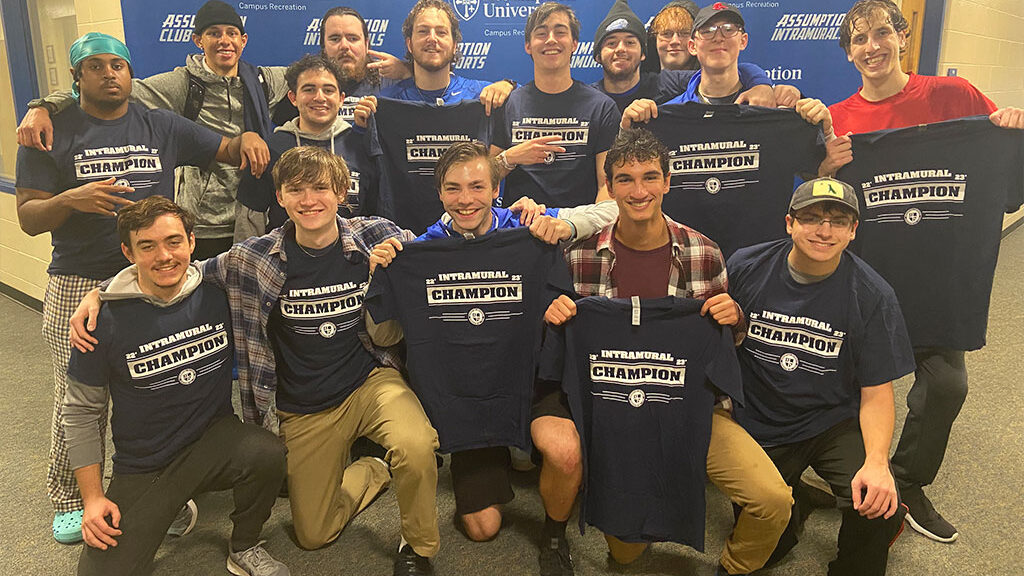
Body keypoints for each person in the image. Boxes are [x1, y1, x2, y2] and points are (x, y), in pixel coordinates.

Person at [73, 146, 441, 575]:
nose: (309, 200)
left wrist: (525, 218)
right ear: (280, 198)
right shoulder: (251, 259)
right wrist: (99, 293)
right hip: (303, 405)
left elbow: (443, 250)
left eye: (320, 188)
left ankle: (418, 547)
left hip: (371, 382)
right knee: (313, 534)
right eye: (296, 189)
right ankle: (374, 470)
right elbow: (174, 269)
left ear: (341, 192)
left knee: (416, 445)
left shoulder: (375, 236)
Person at [14, 32, 262, 545]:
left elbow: (225, 147)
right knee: (78, 393)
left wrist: (252, 139)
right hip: (79, 277)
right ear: (77, 76)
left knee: (161, 378)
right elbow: (27, 217)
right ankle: (69, 497)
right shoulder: (49, 130)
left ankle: (159, 487)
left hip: (158, 274)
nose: (111, 74)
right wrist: (71, 200)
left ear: (131, 73)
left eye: (119, 65)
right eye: (97, 66)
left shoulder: (159, 122)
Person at [807, 0, 1024, 544]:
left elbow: (1005, 175)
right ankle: (843, 470)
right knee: (835, 377)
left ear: (902, 36)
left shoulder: (956, 96)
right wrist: (824, 168)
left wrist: (1011, 129)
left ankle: (907, 481)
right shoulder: (840, 118)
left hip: (939, 277)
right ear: (848, 52)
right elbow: (818, 203)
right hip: (865, 277)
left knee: (947, 384)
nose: (873, 46)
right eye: (859, 39)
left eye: (883, 32)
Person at [540, 128, 792, 576]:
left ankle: (733, 567)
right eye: (625, 179)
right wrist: (554, 314)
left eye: (650, 177)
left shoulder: (704, 252)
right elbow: (563, 348)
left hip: (689, 407)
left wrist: (735, 319)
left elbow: (721, 346)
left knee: (773, 499)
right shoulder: (578, 258)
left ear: (668, 181)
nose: (639, 191)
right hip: (611, 411)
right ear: (610, 186)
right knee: (626, 553)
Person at [367, 141, 615, 543]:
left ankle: (552, 534)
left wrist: (563, 227)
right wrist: (383, 271)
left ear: (496, 189)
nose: (466, 200)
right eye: (453, 188)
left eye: (478, 187)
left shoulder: (527, 228)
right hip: (470, 392)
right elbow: (383, 332)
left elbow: (613, 210)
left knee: (565, 453)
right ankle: (502, 453)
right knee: (483, 530)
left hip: (529, 378)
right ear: (440, 193)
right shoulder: (423, 249)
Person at [64, 196, 288, 576]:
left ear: (191, 242)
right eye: (147, 246)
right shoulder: (103, 321)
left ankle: (245, 545)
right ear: (127, 251)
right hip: (146, 463)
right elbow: (81, 411)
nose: (164, 256)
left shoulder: (219, 293)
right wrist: (92, 498)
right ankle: (172, 503)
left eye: (173, 242)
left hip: (215, 438)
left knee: (268, 453)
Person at [726, 177, 914, 575]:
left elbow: (877, 392)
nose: (824, 230)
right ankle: (796, 508)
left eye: (838, 220)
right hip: (760, 420)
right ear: (789, 223)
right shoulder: (746, 266)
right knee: (766, 544)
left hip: (831, 420)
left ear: (853, 231)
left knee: (878, 503)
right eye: (811, 218)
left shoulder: (873, 295)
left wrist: (878, 463)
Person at [19, 0, 277, 256]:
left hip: (247, 219)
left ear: (243, 39)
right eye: (213, 33)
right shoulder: (179, 84)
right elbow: (101, 93)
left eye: (231, 33)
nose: (224, 40)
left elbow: (309, 78)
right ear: (198, 40)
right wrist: (43, 106)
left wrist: (246, 138)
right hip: (200, 224)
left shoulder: (262, 81)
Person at [490, 2, 621, 211]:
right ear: (528, 45)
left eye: (560, 32)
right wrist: (510, 157)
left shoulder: (601, 107)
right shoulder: (509, 104)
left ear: (574, 43)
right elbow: (483, 180)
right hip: (519, 230)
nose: (551, 39)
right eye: (541, 33)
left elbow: (607, 187)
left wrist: (583, 227)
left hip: (578, 233)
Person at [237, 54, 374, 230]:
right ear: (293, 98)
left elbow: (376, 211)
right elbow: (250, 218)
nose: (319, 97)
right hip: (285, 254)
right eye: (309, 89)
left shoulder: (362, 146)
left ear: (341, 99)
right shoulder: (270, 148)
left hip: (352, 255)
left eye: (328, 90)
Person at [620, 2, 802, 128]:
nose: (718, 37)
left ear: (743, 40)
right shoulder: (653, 87)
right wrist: (626, 129)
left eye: (728, 30)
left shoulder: (754, 91)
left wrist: (764, 85)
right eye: (666, 34)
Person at [352, 0, 514, 127]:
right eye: (423, 31)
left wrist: (509, 86)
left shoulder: (480, 95)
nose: (432, 38)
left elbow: (527, 100)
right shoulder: (385, 102)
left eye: (441, 32)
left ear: (454, 45)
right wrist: (361, 126)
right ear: (409, 44)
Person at [271, 5, 412, 125]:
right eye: (335, 39)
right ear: (323, 46)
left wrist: (409, 71)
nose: (344, 46)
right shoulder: (303, 84)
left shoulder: (392, 80)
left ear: (366, 43)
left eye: (353, 38)